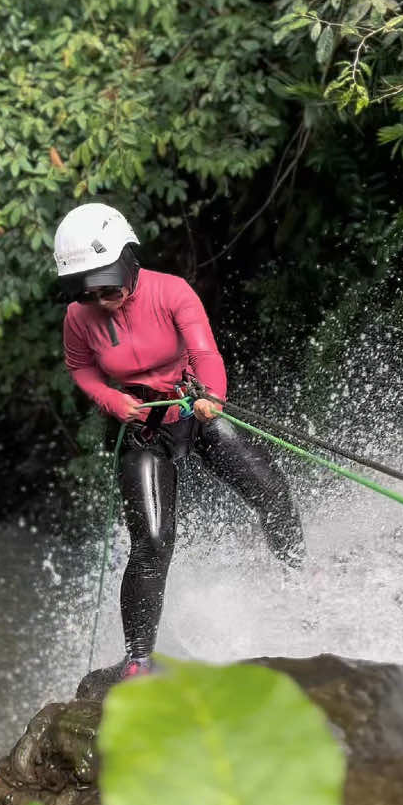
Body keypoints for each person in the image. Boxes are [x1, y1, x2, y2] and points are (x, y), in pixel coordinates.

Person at [55, 203, 305, 678]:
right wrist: (110, 400)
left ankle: (297, 573)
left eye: (108, 285)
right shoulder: (78, 317)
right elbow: (81, 368)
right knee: (151, 543)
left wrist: (212, 396)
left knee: (272, 491)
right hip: (144, 428)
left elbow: (204, 351)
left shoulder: (172, 292)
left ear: (129, 258)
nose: (102, 298)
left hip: (195, 408)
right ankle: (138, 659)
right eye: (89, 290)